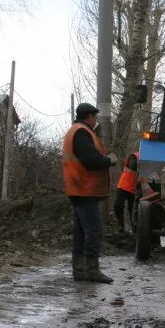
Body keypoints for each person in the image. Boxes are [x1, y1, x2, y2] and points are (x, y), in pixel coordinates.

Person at [62, 102, 117, 283]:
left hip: (78, 188)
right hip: (85, 189)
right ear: (89, 117)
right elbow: (91, 160)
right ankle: (92, 271)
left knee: (80, 231)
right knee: (94, 230)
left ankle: (80, 270)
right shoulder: (82, 132)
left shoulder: (75, 131)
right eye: (94, 117)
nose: (95, 120)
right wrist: (108, 160)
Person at [114, 151, 138, 233]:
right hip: (123, 186)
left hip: (134, 189)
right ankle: (121, 227)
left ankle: (134, 230)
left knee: (132, 210)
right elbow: (133, 165)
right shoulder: (135, 156)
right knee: (118, 205)